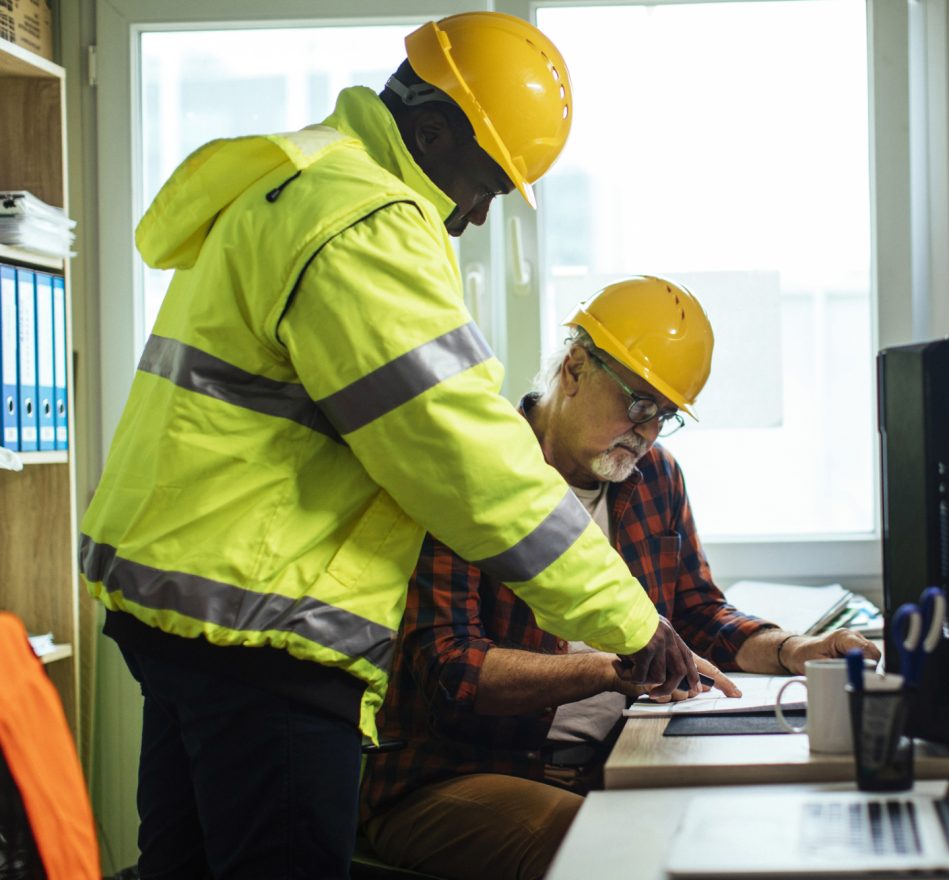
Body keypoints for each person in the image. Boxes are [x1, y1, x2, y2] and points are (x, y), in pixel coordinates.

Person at [78, 15, 699, 879]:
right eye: (484, 186)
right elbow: (469, 462)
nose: (476, 217)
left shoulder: (303, 181)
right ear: (434, 130)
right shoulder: (365, 220)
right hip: (268, 630)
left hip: (187, 614)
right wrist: (632, 626)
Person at [359, 276, 881, 880]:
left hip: (616, 761)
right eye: (639, 404)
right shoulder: (474, 474)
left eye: (664, 416)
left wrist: (793, 648)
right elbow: (449, 671)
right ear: (575, 368)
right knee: (611, 851)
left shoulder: (655, 476)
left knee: (747, 834)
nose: (648, 430)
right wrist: (618, 669)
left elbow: (699, 615)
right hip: (458, 773)